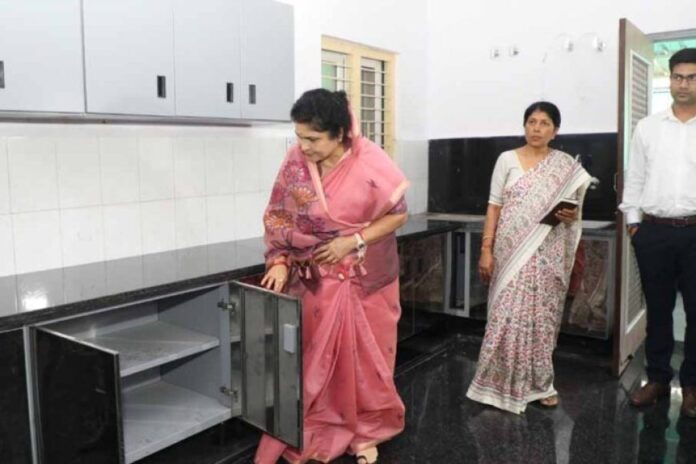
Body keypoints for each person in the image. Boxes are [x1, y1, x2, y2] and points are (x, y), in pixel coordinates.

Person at [255, 88, 409, 463]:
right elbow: (280, 215)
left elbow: (398, 215)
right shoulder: (296, 162)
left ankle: (368, 431)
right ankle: (322, 423)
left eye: (313, 139)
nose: (303, 147)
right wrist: (279, 259)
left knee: (366, 360)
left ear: (339, 133)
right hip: (316, 282)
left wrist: (351, 241)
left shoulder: (370, 161)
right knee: (317, 362)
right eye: (299, 137)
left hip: (365, 279)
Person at [466, 101, 592, 414]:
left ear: (555, 131)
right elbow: (494, 206)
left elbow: (574, 210)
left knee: (542, 320)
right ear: (524, 126)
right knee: (504, 316)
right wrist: (486, 249)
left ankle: (540, 386)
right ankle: (495, 384)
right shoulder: (506, 159)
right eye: (532, 122)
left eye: (544, 123)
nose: (536, 128)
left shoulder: (564, 166)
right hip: (509, 253)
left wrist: (570, 214)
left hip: (548, 253)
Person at [620, 48, 696, 418]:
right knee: (658, 311)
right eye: (678, 77)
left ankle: (692, 385)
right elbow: (634, 178)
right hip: (654, 232)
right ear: (670, 79)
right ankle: (658, 379)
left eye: (692, 77)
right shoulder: (647, 128)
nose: (684, 84)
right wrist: (634, 224)